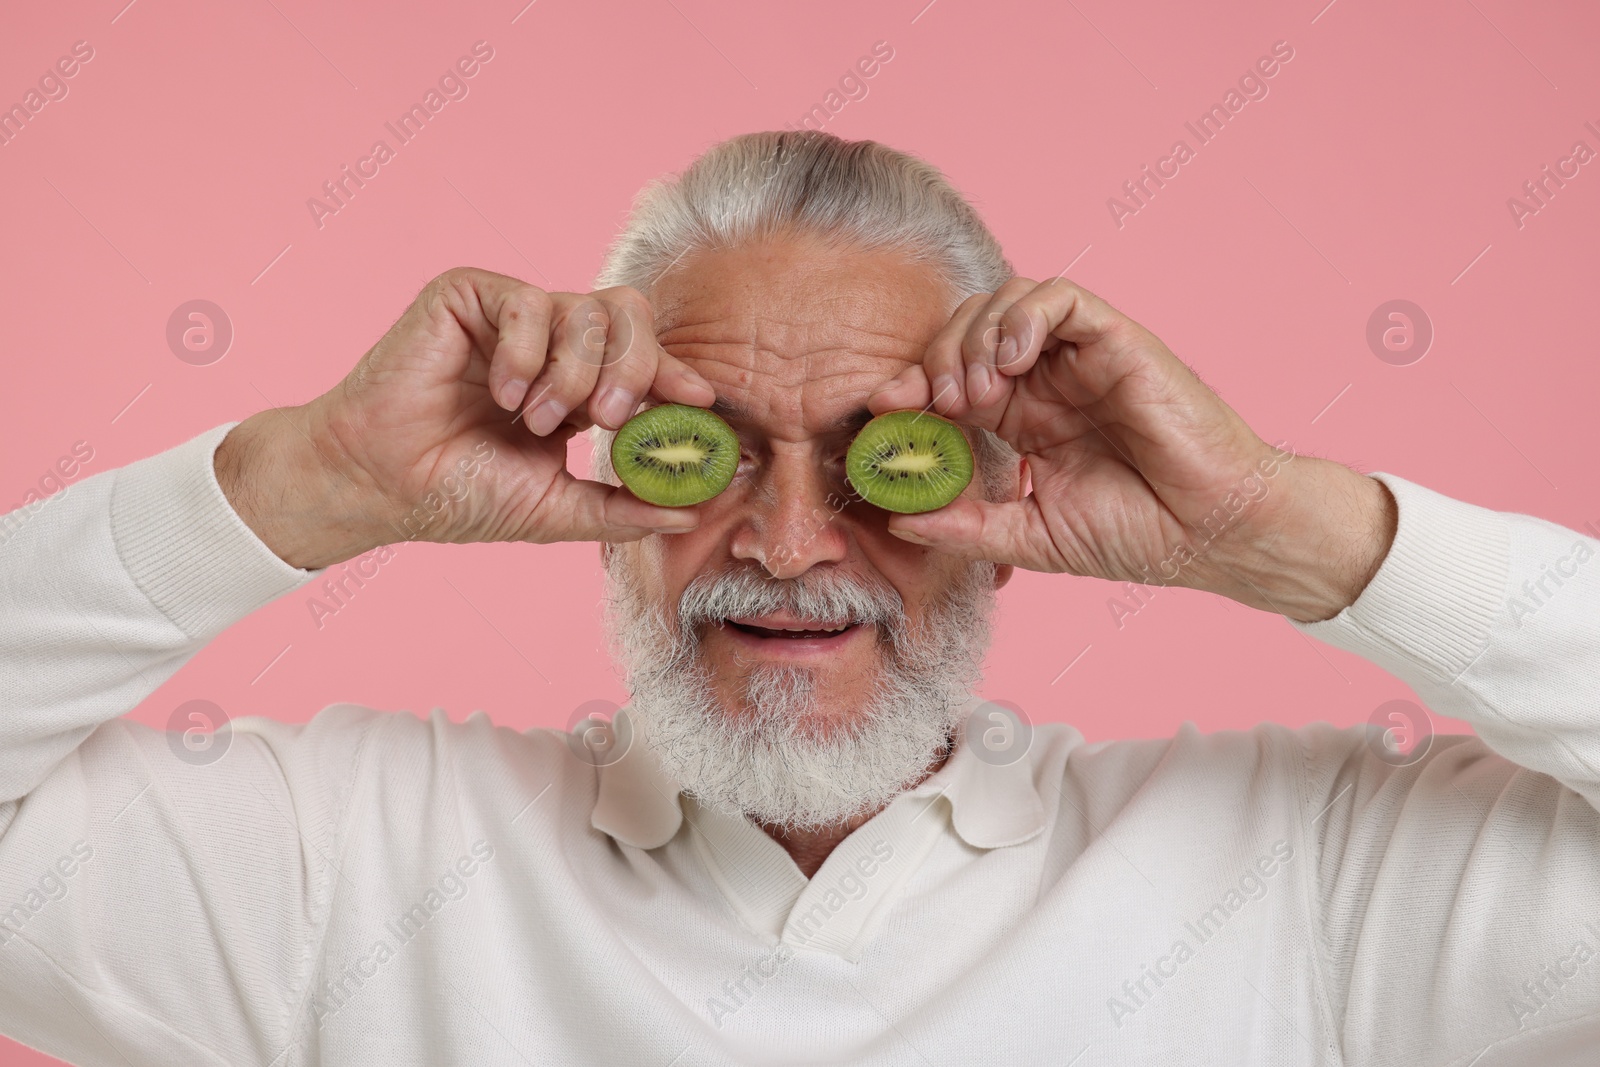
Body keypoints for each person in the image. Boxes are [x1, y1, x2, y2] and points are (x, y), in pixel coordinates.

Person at [1, 130, 1595, 1067]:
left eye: (877, 459)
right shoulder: (345, 869)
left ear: (995, 485)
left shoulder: (1307, 886)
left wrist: (1274, 523)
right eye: (708, 460)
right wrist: (317, 480)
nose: (785, 542)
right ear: (604, 472)